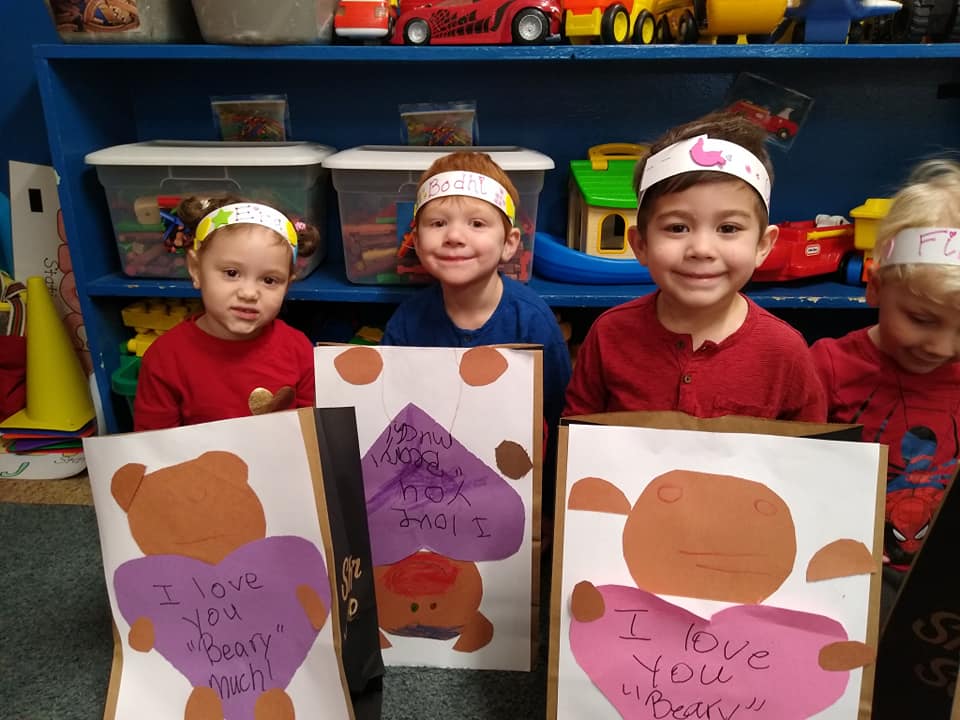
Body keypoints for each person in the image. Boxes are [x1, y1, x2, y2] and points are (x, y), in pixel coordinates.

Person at [563, 111, 826, 421]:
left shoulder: (785, 351)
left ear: (762, 246)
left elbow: (808, 454)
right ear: (641, 245)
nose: (701, 250)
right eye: (677, 228)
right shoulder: (609, 334)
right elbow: (576, 434)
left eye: (728, 228)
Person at [811, 158, 960, 604]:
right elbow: (794, 475)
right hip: (847, 573)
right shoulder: (827, 369)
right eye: (920, 318)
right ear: (874, 287)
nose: (941, 346)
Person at [381, 150, 572, 470]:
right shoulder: (407, 322)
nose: (454, 236)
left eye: (477, 223)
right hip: (428, 477)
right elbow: (387, 410)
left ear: (509, 243)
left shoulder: (533, 322)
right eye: (438, 223)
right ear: (415, 238)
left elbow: (559, 415)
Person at [134, 196, 316, 430]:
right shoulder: (164, 359)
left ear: (287, 285)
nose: (249, 293)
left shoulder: (299, 350)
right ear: (196, 269)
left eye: (269, 280)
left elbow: (311, 433)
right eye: (231, 273)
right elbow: (153, 446)